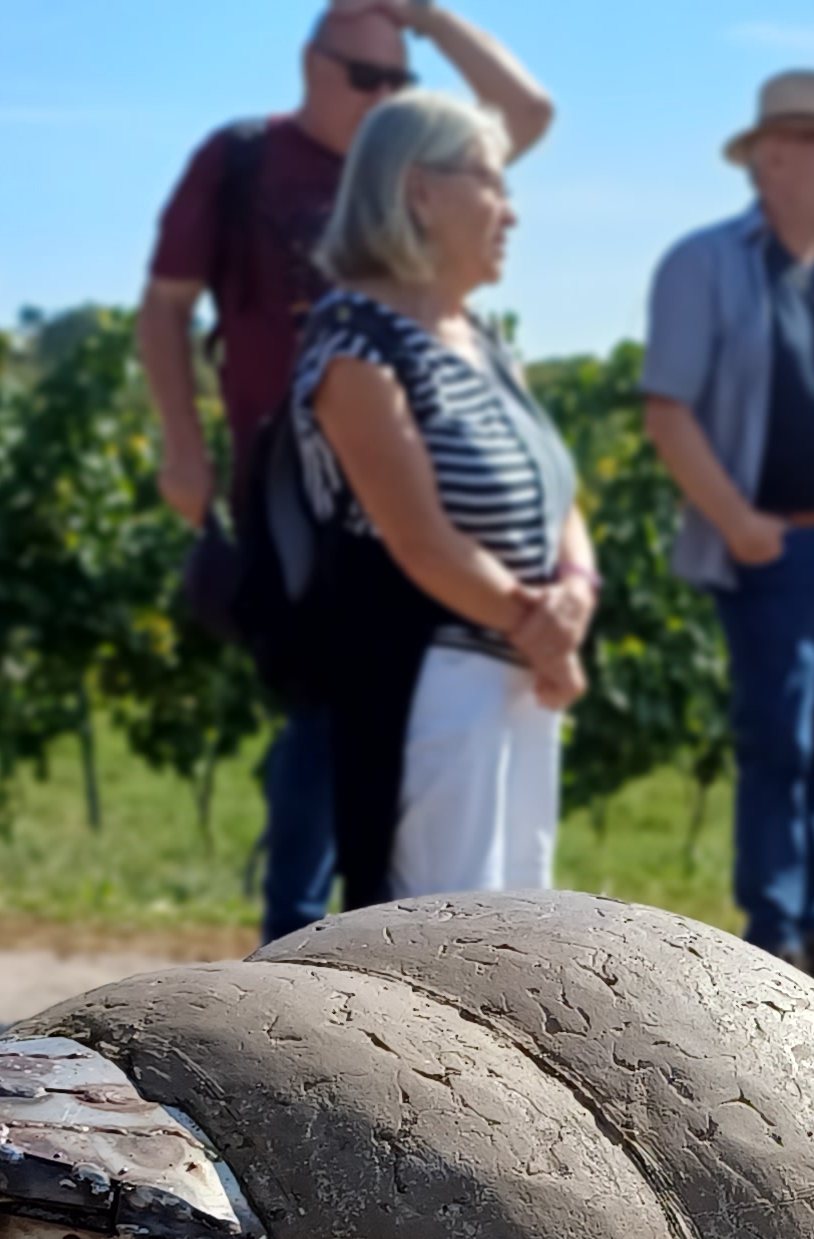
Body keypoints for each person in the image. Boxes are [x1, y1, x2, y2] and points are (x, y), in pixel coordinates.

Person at [140, 1, 556, 946]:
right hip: (292, 488)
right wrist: (183, 446)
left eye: (396, 81)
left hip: (413, 479)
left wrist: (430, 18)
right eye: (364, 76)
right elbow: (165, 308)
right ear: (313, 64)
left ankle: (341, 938)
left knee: (382, 709)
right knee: (324, 699)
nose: (382, 95)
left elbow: (526, 114)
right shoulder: (242, 160)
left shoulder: (418, 158)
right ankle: (296, 937)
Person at [642, 72, 814, 1002]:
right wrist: (739, 524)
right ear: (773, 157)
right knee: (778, 741)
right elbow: (668, 410)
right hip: (773, 549)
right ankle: (771, 934)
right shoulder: (707, 264)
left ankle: (807, 924)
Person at [290, 93, 596, 905]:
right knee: (439, 936)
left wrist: (575, 592)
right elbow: (419, 538)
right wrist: (543, 631)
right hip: (435, 683)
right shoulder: (356, 342)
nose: (512, 213)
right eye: (491, 184)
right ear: (419, 191)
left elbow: (558, 490)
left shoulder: (485, 340)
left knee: (523, 927)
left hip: (520, 676)